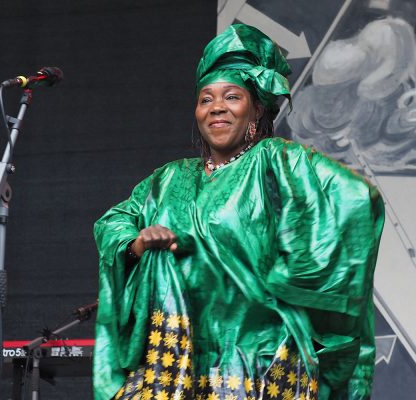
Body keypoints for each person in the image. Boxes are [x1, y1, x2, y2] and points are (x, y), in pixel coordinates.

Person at [93, 24, 384, 400]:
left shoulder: (278, 160)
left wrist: (290, 277)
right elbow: (112, 223)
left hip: (257, 358)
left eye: (232, 97)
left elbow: (357, 200)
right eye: (206, 98)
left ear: (256, 109)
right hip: (177, 361)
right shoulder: (169, 179)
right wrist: (136, 243)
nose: (216, 107)